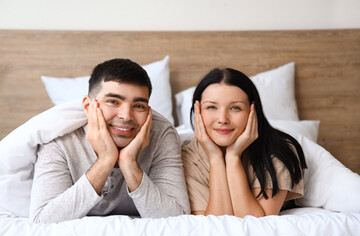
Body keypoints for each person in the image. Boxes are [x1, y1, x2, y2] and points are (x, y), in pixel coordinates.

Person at [29, 58, 190, 223]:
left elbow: (178, 219)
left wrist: (129, 164)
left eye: (139, 105)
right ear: (87, 106)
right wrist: (106, 160)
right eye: (113, 101)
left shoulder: (162, 134)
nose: (126, 116)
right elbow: (42, 221)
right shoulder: (60, 136)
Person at [182, 68, 306, 217]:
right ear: (198, 112)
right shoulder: (186, 158)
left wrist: (233, 157)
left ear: (252, 111)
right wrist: (215, 158)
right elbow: (215, 226)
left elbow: (256, 224)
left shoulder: (277, 150)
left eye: (235, 108)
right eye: (211, 107)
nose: (222, 119)